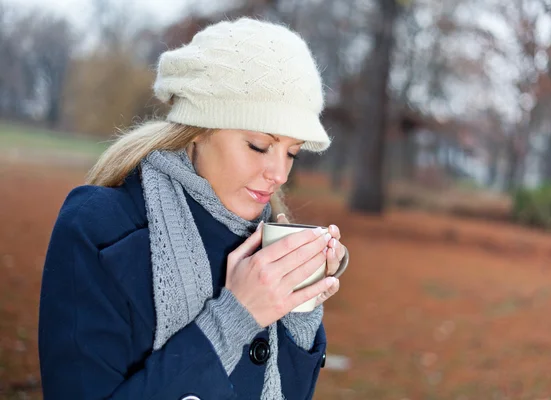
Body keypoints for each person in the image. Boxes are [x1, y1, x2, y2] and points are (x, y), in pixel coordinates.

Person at [37, 17, 349, 400]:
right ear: (200, 127)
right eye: (258, 145)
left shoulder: (264, 241)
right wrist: (235, 317)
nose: (280, 174)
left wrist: (299, 303)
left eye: (292, 153)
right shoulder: (98, 229)